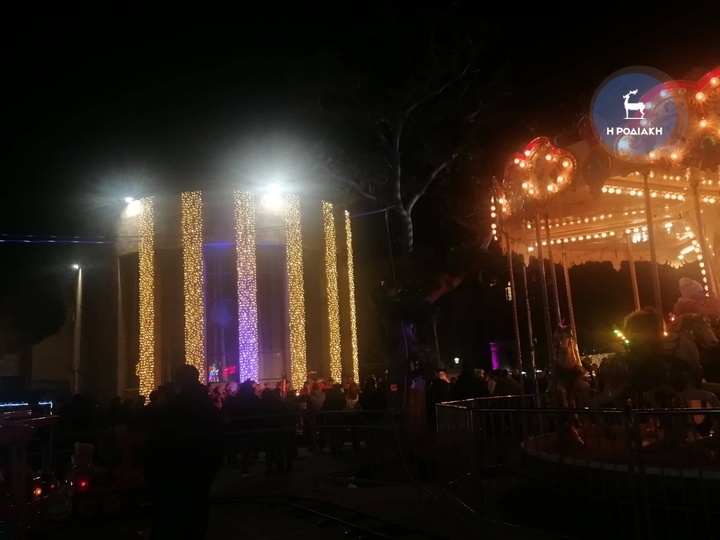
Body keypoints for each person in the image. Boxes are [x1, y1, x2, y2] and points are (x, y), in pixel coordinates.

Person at [143, 365, 224, 539]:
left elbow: (157, 441)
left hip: (174, 470)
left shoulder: (171, 408)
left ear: (178, 381)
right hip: (201, 469)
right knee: (197, 517)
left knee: (173, 519)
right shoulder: (207, 408)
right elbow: (218, 439)